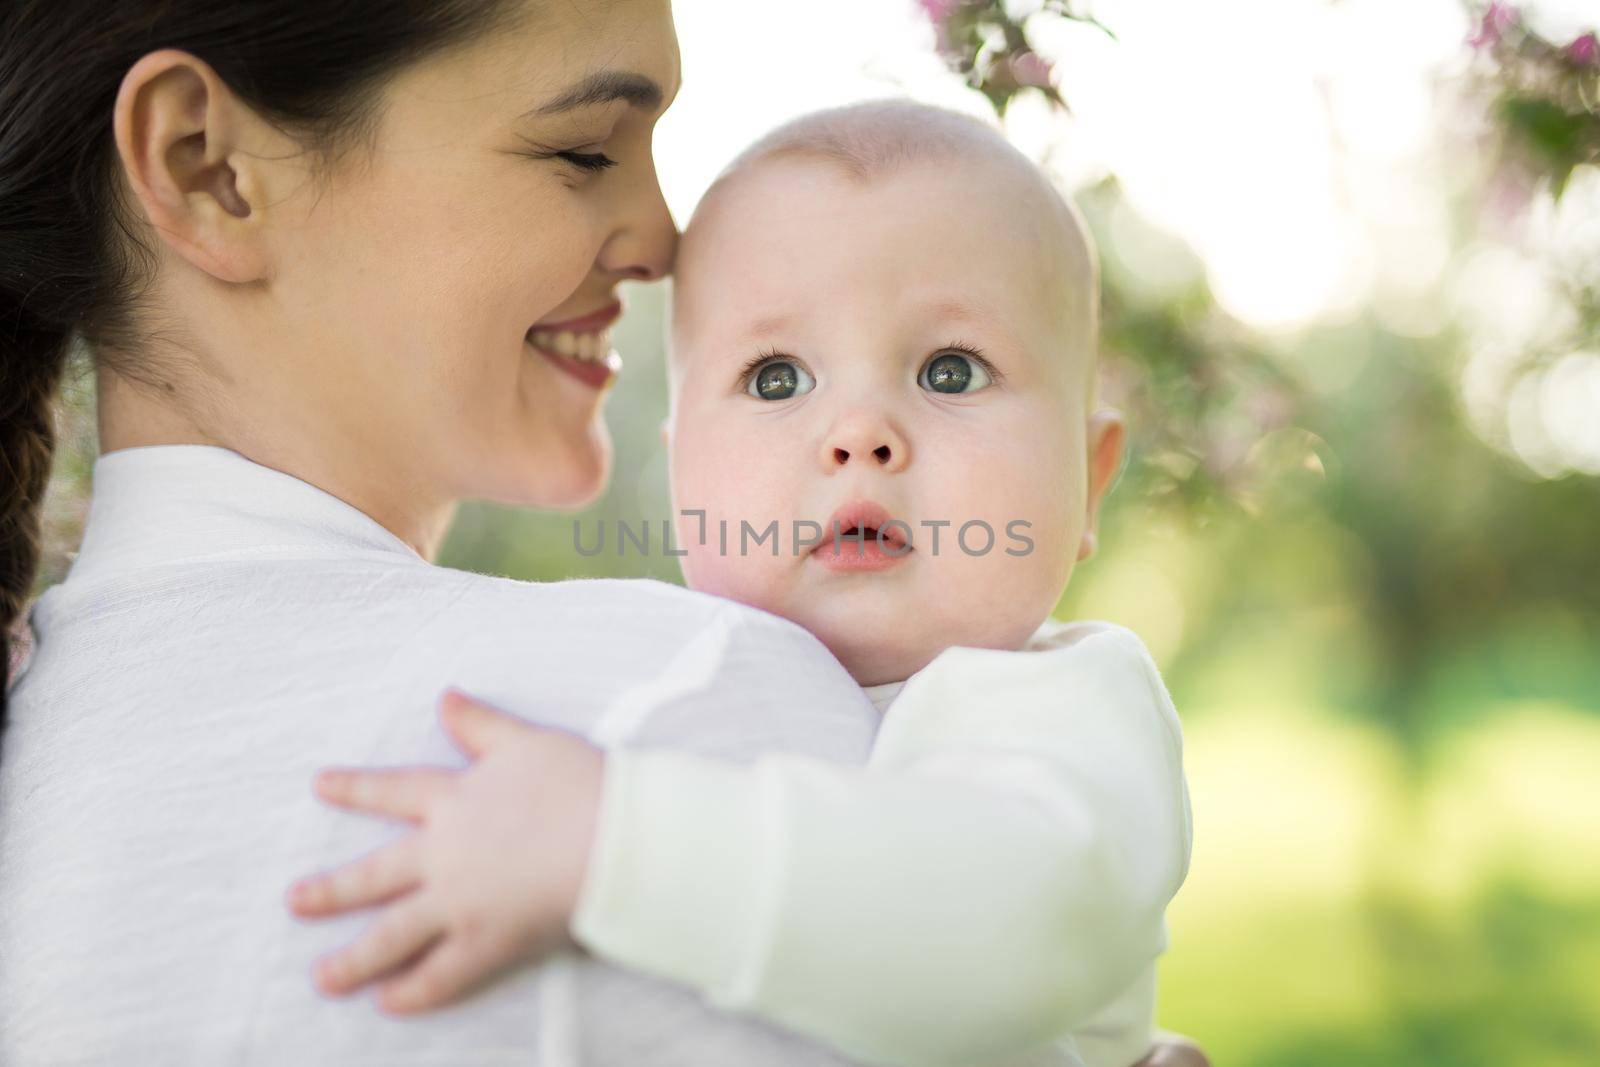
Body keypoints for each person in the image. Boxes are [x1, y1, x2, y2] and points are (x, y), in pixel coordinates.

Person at [286, 102, 1196, 1067]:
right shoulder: (665, 676)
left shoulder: (1069, 703)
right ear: (684, 482)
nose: (859, 432)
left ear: (1088, 480)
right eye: (774, 378)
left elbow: (1013, 927)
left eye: (952, 368)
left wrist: (612, 842)